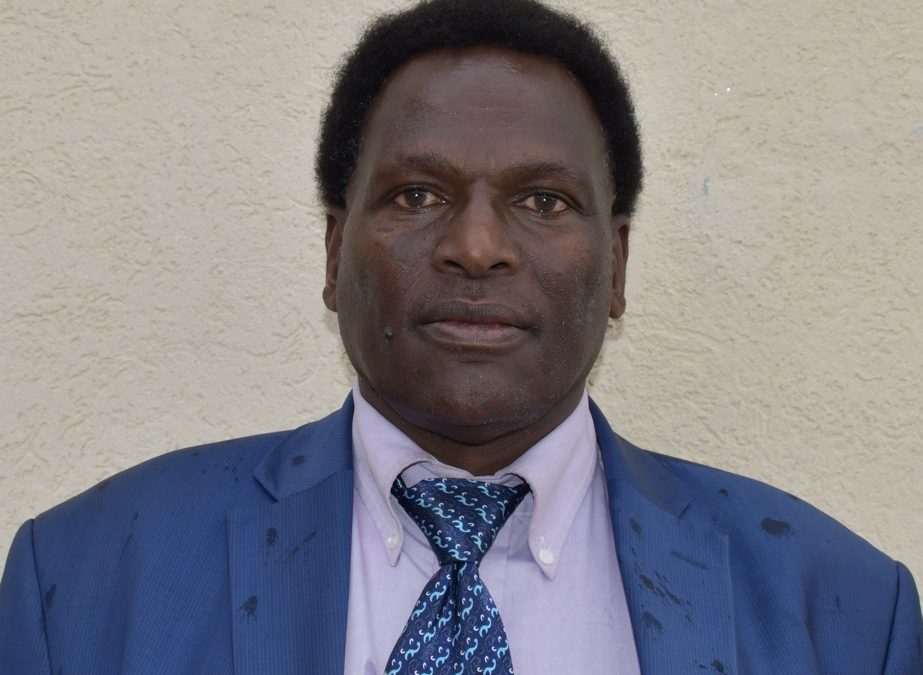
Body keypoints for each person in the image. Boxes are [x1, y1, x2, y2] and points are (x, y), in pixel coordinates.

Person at [1, 0, 920, 673]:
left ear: (617, 267)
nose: (476, 246)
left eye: (542, 200)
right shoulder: (81, 579)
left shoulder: (841, 613)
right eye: (417, 194)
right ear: (333, 251)